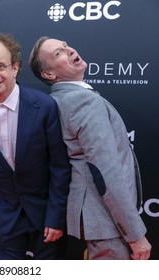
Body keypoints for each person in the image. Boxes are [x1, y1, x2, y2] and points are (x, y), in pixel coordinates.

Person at [29, 36, 152, 260]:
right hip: (108, 221)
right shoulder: (83, 102)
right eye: (58, 53)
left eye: (65, 46)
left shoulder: (60, 100)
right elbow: (105, 171)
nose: (69, 50)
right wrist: (134, 235)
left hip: (97, 218)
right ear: (48, 74)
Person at [0, 32, 71, 260]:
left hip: (44, 213)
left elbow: (60, 168)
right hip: (5, 213)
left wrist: (56, 217)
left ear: (15, 68)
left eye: (0, 66)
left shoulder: (44, 106)